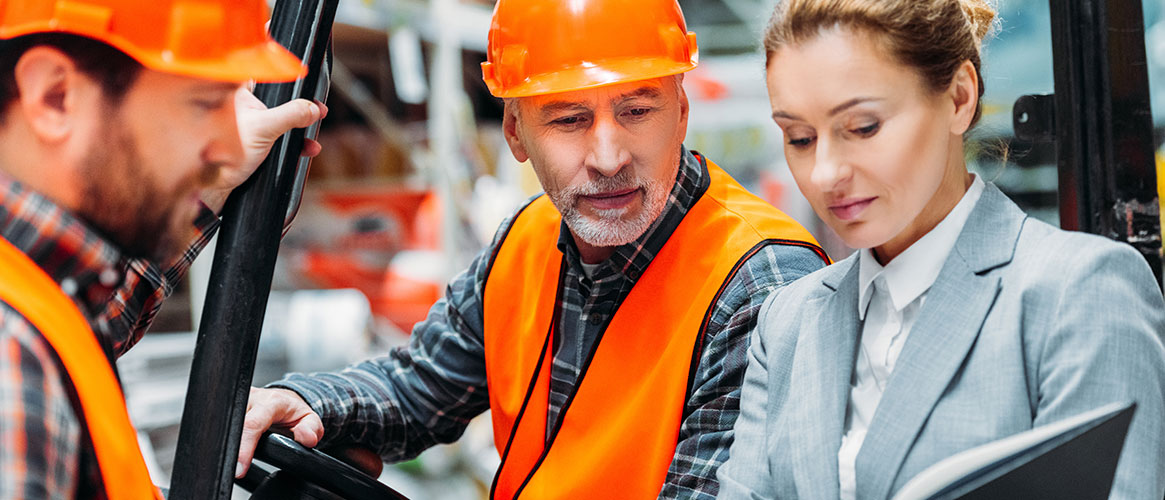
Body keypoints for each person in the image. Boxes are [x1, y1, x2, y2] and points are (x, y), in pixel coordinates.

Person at [237, 0, 830, 497]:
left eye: (637, 110)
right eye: (569, 119)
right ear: (516, 134)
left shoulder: (761, 282)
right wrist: (298, 400)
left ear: (681, 112)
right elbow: (418, 389)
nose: (608, 157)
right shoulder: (527, 238)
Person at [717, 0, 1165, 498]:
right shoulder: (788, 322)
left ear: (958, 98)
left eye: (863, 127)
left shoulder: (1077, 293)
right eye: (799, 138)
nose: (825, 173)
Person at [0, 0, 327, 497]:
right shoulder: (11, 364)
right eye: (203, 103)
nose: (232, 146)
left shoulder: (40, 295)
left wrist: (206, 192)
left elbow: (86, 324)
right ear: (56, 97)